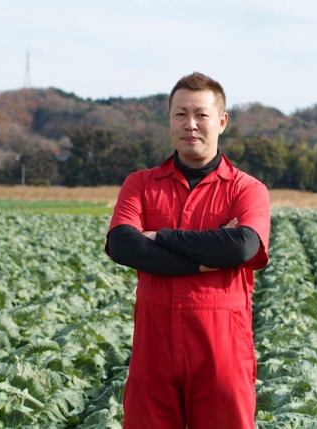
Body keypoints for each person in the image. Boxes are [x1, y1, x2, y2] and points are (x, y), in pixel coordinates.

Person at [105, 71, 271, 429]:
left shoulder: (247, 189)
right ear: (169, 120)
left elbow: (242, 246)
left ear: (222, 121)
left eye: (201, 115)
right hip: (154, 347)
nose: (190, 124)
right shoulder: (141, 184)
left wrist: (157, 237)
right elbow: (122, 244)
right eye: (180, 114)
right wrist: (203, 259)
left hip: (220, 349)